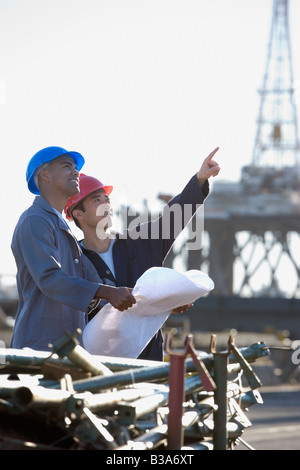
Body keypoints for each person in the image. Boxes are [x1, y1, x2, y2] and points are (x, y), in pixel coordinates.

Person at [64, 147, 221, 361]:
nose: (106, 205)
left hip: (147, 363)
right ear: (78, 214)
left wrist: (200, 179)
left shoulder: (139, 242)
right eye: (97, 200)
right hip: (98, 367)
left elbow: (172, 218)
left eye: (107, 199)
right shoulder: (73, 260)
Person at [10, 146, 136, 351]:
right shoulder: (35, 220)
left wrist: (160, 304)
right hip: (38, 348)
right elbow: (50, 278)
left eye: (75, 167)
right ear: (44, 174)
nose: (76, 172)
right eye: (67, 166)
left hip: (68, 349)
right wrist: (107, 292)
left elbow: (102, 288)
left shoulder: (62, 229)